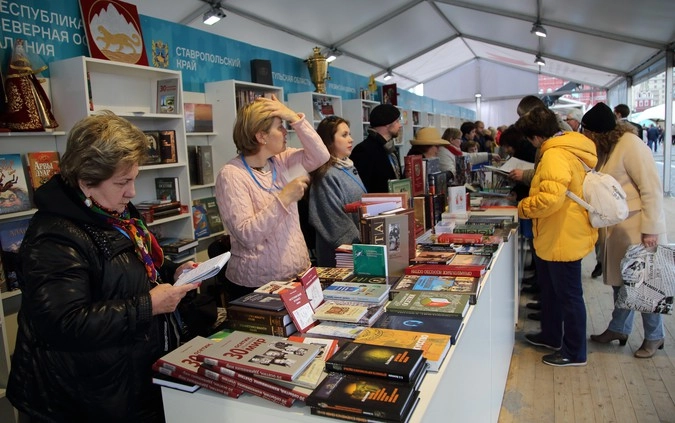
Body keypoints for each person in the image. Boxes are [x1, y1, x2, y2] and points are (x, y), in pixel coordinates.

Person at [6, 111, 199, 422]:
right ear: (86, 182)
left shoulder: (110, 209)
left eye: (133, 178)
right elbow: (64, 323)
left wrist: (171, 272)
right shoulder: (54, 236)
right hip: (78, 400)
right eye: (123, 182)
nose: (132, 192)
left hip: (123, 382)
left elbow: (128, 267)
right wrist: (148, 306)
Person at [215, 95, 329, 299]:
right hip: (257, 286)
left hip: (298, 275)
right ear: (262, 136)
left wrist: (294, 118)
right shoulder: (231, 175)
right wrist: (284, 198)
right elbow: (247, 235)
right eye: (280, 127)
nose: (286, 132)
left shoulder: (281, 161)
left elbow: (321, 156)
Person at [582, 102, 668, 359]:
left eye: (588, 133)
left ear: (598, 132)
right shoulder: (609, 147)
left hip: (638, 227)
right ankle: (618, 328)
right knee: (622, 284)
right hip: (619, 228)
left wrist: (651, 230)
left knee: (644, 285)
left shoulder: (631, 145)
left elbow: (651, 189)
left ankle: (655, 335)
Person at [516, 106, 598, 367]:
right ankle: (551, 336)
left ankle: (574, 352)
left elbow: (550, 199)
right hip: (561, 229)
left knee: (569, 295)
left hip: (562, 232)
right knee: (554, 290)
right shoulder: (567, 147)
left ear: (536, 136)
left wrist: (523, 208)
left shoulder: (554, 154)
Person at [308, 116, 365, 267]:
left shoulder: (347, 167)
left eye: (349, 134)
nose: (351, 139)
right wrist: (361, 246)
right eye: (344, 135)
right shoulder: (326, 175)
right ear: (329, 140)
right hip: (343, 256)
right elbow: (333, 220)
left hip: (358, 250)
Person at [351, 103, 403, 193]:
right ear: (387, 123)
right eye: (397, 121)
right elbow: (361, 188)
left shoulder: (390, 148)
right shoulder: (364, 150)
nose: (400, 125)